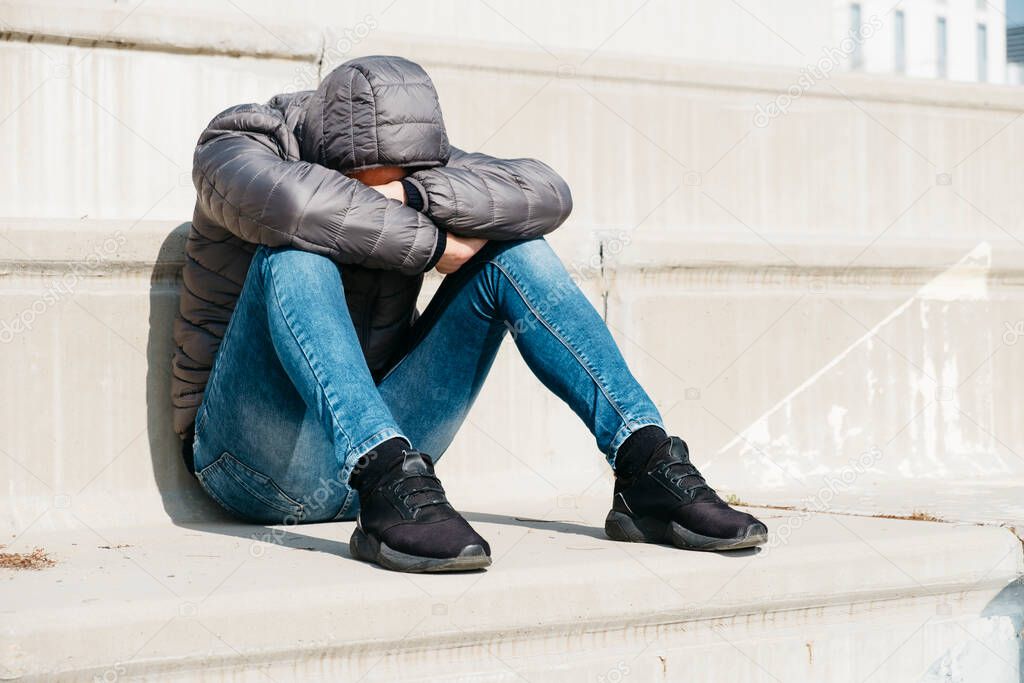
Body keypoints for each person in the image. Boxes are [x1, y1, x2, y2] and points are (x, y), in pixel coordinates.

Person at [171, 55, 767, 573]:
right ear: (328, 154)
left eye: (403, 179)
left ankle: (646, 464)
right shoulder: (239, 142)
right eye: (365, 186)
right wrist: (433, 244)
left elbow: (545, 192)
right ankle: (383, 476)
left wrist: (414, 196)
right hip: (252, 463)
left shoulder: (415, 160)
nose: (388, 190)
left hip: (392, 463)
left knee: (516, 249)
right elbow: (298, 207)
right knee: (297, 258)